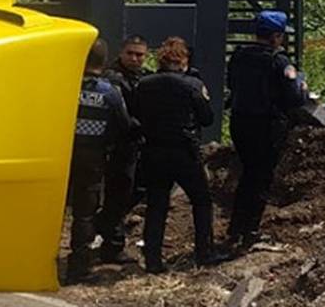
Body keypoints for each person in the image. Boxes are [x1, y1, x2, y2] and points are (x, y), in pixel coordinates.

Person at [134, 37, 226, 273]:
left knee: (157, 204)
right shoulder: (193, 85)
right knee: (202, 201)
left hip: (153, 150)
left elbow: (136, 113)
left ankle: (153, 259)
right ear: (183, 60)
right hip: (184, 151)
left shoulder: (144, 84)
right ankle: (204, 253)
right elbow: (207, 118)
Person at [226, 10, 309, 249]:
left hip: (240, 123)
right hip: (267, 126)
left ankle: (235, 229)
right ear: (275, 36)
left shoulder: (239, 56)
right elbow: (295, 99)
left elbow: (231, 83)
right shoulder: (279, 62)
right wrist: (301, 87)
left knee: (247, 175)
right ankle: (250, 231)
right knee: (261, 178)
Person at [66, 38, 132, 283]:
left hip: (63, 155)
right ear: (104, 62)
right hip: (93, 158)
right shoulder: (108, 92)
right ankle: (78, 268)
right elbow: (123, 124)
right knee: (84, 214)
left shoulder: (66, 85)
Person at [96, 35, 151, 263]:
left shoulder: (144, 78)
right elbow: (122, 116)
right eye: (130, 53)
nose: (134, 58)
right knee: (118, 194)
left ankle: (103, 225)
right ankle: (112, 245)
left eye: (139, 54)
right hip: (118, 145)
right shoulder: (112, 79)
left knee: (135, 190)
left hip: (136, 143)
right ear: (121, 53)